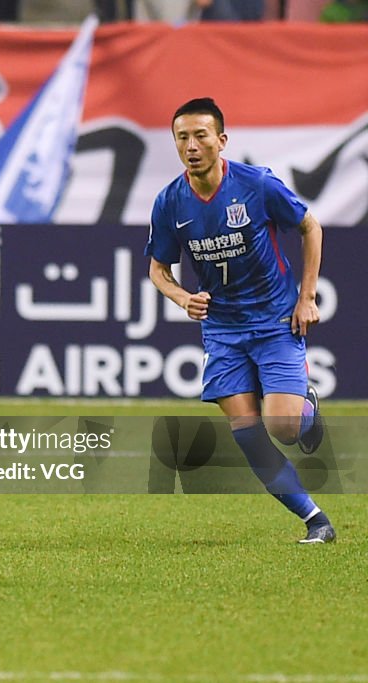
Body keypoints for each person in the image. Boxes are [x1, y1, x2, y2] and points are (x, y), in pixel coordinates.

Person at [146, 97, 334, 544]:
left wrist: (306, 298)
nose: (191, 146)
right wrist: (180, 297)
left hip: (274, 321)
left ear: (221, 140)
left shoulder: (257, 185)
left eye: (200, 135)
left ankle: (305, 409)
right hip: (223, 330)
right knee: (248, 433)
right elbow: (158, 269)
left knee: (283, 427)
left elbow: (311, 226)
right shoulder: (170, 202)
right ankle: (315, 520)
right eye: (182, 138)